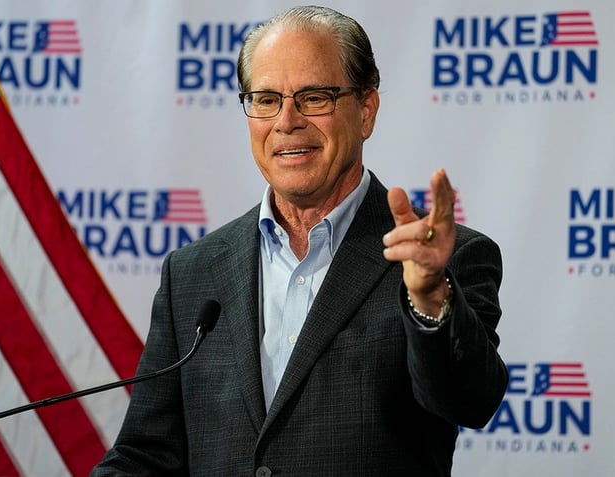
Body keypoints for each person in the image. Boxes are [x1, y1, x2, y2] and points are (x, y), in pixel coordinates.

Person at [92, 5, 507, 476]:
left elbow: (469, 402)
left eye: (314, 97)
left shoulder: (444, 261)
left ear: (366, 111)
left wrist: (431, 297)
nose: (286, 121)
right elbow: (146, 454)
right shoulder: (192, 272)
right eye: (266, 99)